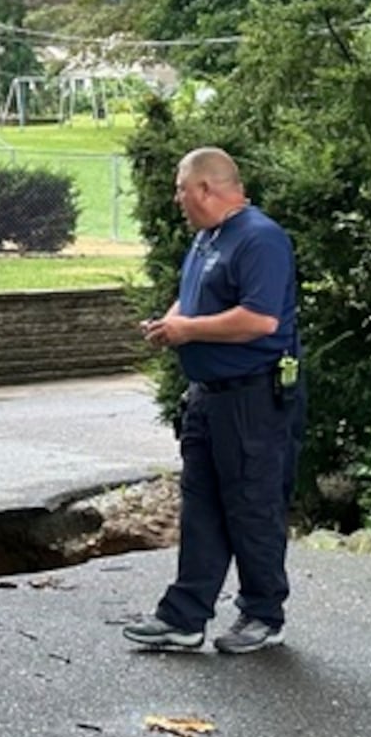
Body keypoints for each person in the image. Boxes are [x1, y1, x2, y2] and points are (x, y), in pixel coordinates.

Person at [124, 147, 303, 655]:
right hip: (208, 397)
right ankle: (184, 617)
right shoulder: (208, 239)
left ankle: (263, 614)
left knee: (252, 505)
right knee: (200, 504)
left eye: (181, 188)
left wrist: (189, 329)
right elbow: (196, 296)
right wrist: (170, 322)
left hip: (254, 397)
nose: (176, 198)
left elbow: (260, 320)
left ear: (205, 188)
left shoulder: (260, 239)